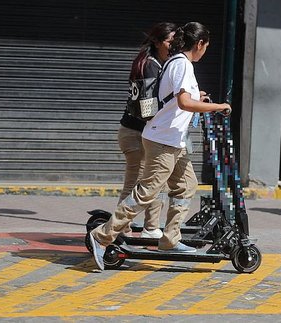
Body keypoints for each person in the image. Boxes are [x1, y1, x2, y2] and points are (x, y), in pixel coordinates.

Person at [88, 22, 231, 271]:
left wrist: (200, 99)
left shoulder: (175, 62)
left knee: (186, 185)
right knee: (147, 192)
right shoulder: (183, 64)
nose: (204, 51)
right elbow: (185, 103)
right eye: (206, 47)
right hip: (163, 140)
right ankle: (102, 236)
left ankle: (169, 240)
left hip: (171, 139)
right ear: (199, 44)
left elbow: (178, 100)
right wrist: (218, 106)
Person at [118, 22, 177, 239]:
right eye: (171, 41)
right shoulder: (151, 66)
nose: (175, 45)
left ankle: (138, 228)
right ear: (158, 41)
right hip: (137, 134)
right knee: (144, 184)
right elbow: (148, 108)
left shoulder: (150, 61)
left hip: (134, 131)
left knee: (145, 183)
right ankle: (136, 229)